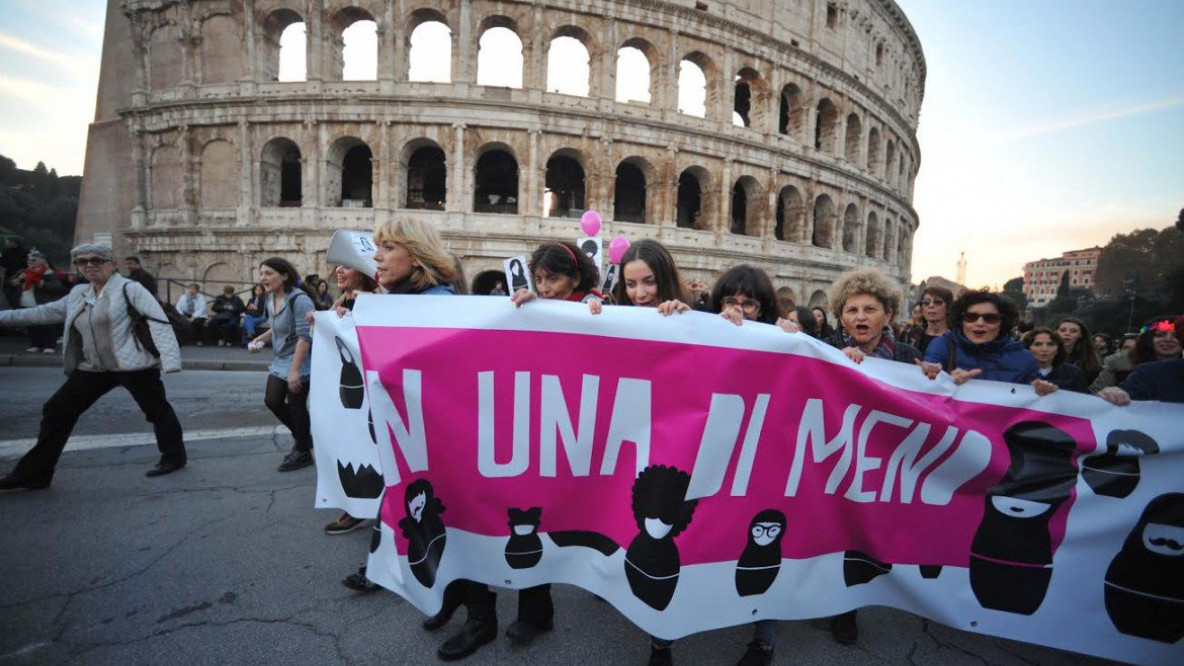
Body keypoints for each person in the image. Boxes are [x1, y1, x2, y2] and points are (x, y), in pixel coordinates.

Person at [0, 244, 186, 490]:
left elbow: (159, 323)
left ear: (112, 264)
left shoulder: (131, 289)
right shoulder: (79, 294)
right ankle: (35, 473)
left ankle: (174, 457)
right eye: (82, 261)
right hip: (94, 367)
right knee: (57, 410)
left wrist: (171, 363)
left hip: (132, 365)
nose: (90, 265)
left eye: (97, 260)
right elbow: (43, 313)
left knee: (156, 411)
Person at [504, 240, 604, 648]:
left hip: (591, 435)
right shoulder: (536, 307)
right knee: (535, 521)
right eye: (539, 279)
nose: (545, 288)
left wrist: (600, 307)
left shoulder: (600, 308)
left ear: (576, 277)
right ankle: (534, 611)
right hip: (546, 430)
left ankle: (607, 581)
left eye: (554, 279)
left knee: (592, 516)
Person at [817, 269, 923, 647]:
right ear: (840, 316)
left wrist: (933, 378)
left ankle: (848, 608)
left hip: (881, 460)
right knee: (827, 530)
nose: (860, 317)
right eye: (851, 310)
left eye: (870, 309)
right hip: (834, 453)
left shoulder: (910, 357)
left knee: (861, 534)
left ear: (888, 315)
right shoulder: (824, 348)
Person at [322, 263, 380, 537]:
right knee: (354, 444)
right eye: (336, 267)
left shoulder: (378, 299)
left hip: (375, 389)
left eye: (346, 266)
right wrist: (324, 323)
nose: (338, 271)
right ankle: (359, 506)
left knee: (374, 447)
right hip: (352, 392)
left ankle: (366, 508)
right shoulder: (341, 300)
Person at [248, 259, 319, 472]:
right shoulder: (272, 299)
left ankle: (303, 450)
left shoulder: (300, 300)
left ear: (284, 275)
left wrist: (295, 371)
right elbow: (276, 329)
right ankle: (304, 440)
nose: (263, 278)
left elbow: (305, 338)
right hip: (282, 359)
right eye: (262, 273)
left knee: (296, 405)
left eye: (268, 273)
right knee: (272, 400)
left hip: (300, 359)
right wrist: (259, 340)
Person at [918, 289, 1057, 395]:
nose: (979, 323)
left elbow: (1035, 402)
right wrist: (943, 378)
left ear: (1002, 322)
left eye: (990, 318)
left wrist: (1044, 391)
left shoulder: (1025, 359)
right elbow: (928, 381)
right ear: (961, 321)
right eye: (971, 317)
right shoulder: (944, 345)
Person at [1099, 316, 1184, 405]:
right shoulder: (1120, 362)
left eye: (1175, 336)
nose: (1168, 340)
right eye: (1160, 335)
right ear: (1148, 339)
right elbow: (1097, 392)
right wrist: (1110, 394)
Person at [8, 249, 67, 353]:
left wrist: (39, 281)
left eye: (34, 260)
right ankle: (35, 344)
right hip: (26, 302)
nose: (30, 261)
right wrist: (19, 279)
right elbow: (11, 283)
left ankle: (49, 345)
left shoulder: (49, 273)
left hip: (43, 303)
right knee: (31, 325)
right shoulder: (22, 272)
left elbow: (57, 288)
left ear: (43, 261)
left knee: (47, 326)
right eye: (29, 260)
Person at [711, 265, 781, 327]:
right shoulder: (705, 328)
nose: (738, 310)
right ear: (720, 304)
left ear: (761, 310)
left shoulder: (771, 336)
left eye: (748, 304)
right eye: (731, 302)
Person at [1023, 327, 1087, 392]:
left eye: (1050, 344)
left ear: (1058, 349)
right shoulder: (1019, 372)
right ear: (1028, 348)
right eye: (1038, 344)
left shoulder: (1074, 373)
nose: (1044, 349)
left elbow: (1085, 398)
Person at [901, 286, 952, 354]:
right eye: (926, 302)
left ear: (948, 307)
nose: (931, 306)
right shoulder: (911, 335)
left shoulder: (955, 340)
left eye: (937, 302)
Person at [1056, 317, 1101, 385]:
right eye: (1062, 330)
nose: (1067, 333)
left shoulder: (1089, 359)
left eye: (1073, 331)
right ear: (1056, 332)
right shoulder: (1043, 354)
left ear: (1080, 335)